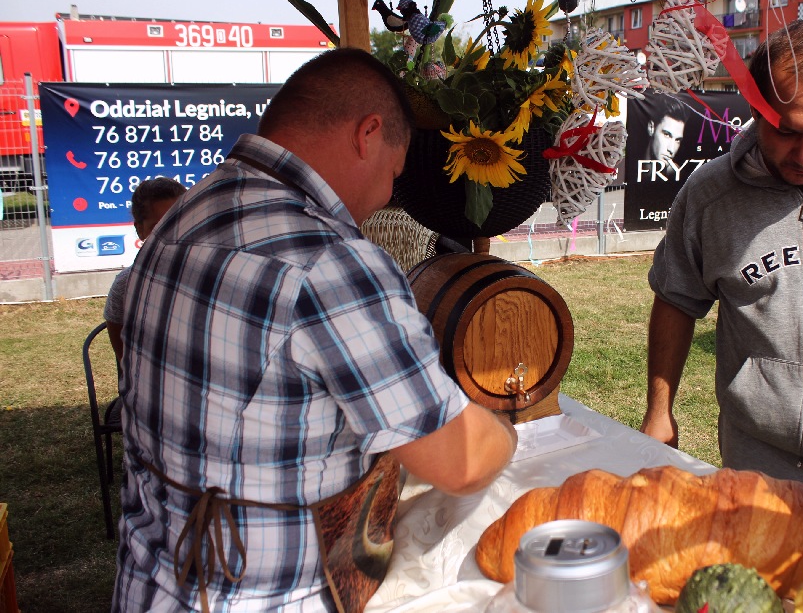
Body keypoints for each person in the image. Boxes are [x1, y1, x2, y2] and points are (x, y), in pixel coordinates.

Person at [113, 48, 517, 611]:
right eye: (394, 174)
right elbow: (460, 461)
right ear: (367, 134)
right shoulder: (328, 260)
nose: (384, 197)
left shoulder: (184, 214)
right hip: (264, 596)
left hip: (151, 582)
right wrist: (505, 431)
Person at [640, 20, 803, 520]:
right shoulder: (711, 195)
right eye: (785, 131)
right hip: (756, 469)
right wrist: (659, 411)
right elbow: (676, 298)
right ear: (755, 109)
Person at [103, 177, 186, 366]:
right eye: (159, 228)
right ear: (140, 230)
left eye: (180, 222)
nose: (173, 235)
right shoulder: (126, 285)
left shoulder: (214, 276)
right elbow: (126, 363)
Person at [647, 102, 687, 167]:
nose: (671, 149)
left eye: (677, 140)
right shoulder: (630, 165)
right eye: (667, 135)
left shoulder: (678, 171)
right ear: (651, 128)